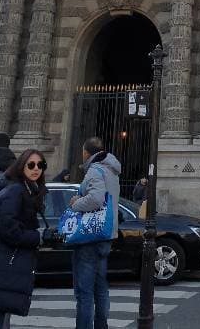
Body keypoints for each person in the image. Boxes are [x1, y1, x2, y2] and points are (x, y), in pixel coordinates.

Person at [0, 149, 56, 329]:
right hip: (5, 263)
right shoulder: (15, 191)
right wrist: (37, 236)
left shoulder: (29, 191)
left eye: (41, 165)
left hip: (9, 263)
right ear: (21, 166)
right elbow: (9, 230)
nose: (36, 168)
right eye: (31, 165)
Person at [69, 136, 121, 329]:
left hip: (89, 237)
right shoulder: (111, 170)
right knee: (101, 288)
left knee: (84, 293)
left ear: (86, 152)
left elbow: (96, 199)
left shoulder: (94, 170)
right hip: (105, 235)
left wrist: (76, 204)